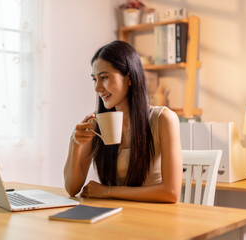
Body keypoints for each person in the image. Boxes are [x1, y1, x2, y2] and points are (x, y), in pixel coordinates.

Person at [63, 40, 182, 203]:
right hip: (115, 217)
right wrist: (74, 143)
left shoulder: (163, 119)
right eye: (94, 79)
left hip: (154, 218)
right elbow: (71, 188)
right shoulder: (96, 122)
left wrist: (109, 192)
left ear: (129, 77)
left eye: (104, 77)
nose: (97, 88)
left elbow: (171, 192)